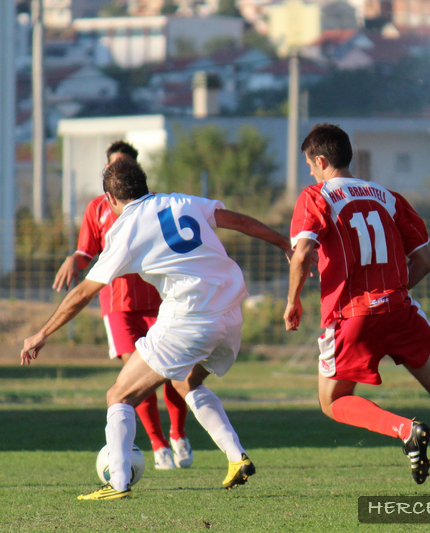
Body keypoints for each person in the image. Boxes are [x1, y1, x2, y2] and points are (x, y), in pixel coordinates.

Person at [21, 158, 292, 500]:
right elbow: (234, 220)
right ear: (144, 185)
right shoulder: (180, 201)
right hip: (230, 314)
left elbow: (82, 293)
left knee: (118, 396)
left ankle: (117, 483)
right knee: (186, 383)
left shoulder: (125, 230)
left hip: (190, 318)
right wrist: (283, 242)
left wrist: (42, 333)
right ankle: (236, 457)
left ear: (109, 200)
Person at [283, 123, 430, 497]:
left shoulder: (316, 196)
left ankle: (405, 430)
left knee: (332, 401)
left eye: (310, 164)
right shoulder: (389, 197)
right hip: (400, 311)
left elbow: (302, 252)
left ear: (320, 160)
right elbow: (425, 261)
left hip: (352, 317)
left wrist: (292, 301)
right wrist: (393, 292)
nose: (310, 172)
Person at [53, 141, 191, 471]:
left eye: (124, 166)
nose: (117, 172)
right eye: (112, 166)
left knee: (173, 374)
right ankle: (158, 446)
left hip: (158, 302)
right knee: (135, 376)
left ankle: (178, 434)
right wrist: (75, 258)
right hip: (117, 306)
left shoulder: (153, 205)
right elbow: (87, 251)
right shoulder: (97, 208)